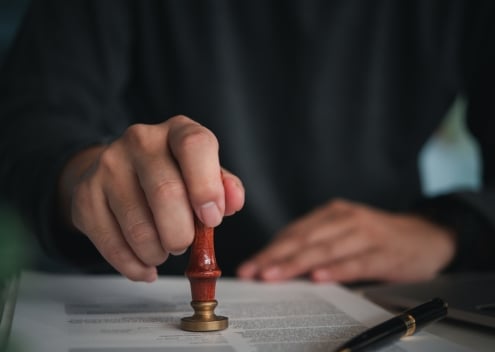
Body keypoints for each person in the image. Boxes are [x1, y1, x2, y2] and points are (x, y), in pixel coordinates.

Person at [0, 0, 494, 284]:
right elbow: (33, 123)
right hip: (142, 297)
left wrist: (451, 231)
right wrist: (83, 177)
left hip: (384, 296)